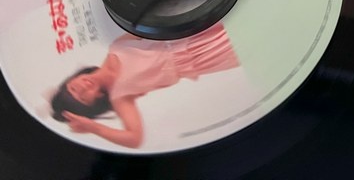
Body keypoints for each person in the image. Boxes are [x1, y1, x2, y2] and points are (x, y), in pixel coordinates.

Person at [50, 22, 239, 148]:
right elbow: (134, 138)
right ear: (96, 100)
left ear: (72, 79)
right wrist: (93, 128)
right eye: (83, 97)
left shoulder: (116, 46)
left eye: (73, 88)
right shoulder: (120, 96)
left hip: (195, 27)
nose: (83, 88)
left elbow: (153, 23)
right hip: (210, 54)